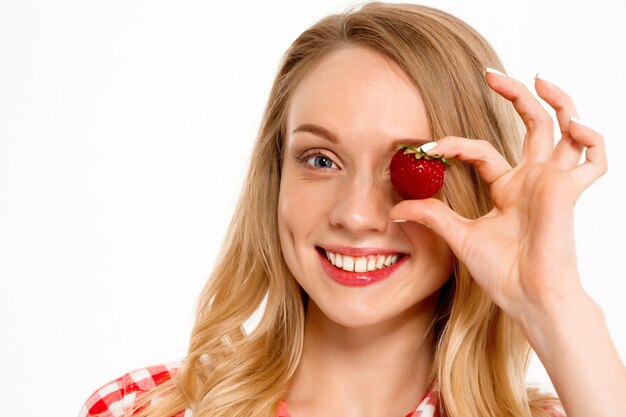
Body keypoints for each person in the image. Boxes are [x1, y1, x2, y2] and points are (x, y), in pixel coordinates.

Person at [79, 2, 626, 417]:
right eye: (321, 159)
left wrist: (553, 300)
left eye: (408, 163)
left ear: (477, 193)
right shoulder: (141, 408)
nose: (357, 215)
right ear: (275, 176)